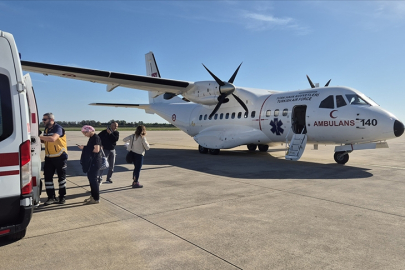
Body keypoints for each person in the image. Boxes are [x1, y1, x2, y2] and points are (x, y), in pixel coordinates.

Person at [39, 113, 68, 205]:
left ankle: (62, 197)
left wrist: (38, 137)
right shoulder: (47, 129)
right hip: (49, 157)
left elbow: (52, 139)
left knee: (61, 178)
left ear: (51, 120)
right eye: (43, 119)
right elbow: (46, 140)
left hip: (60, 156)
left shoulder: (58, 128)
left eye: (45, 119)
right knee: (47, 178)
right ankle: (51, 197)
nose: (43, 121)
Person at [78, 125, 102, 204]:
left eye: (85, 133)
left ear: (90, 131)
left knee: (93, 180)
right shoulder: (92, 138)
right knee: (91, 179)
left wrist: (84, 148)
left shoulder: (96, 138)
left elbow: (96, 150)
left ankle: (96, 198)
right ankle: (93, 196)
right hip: (92, 162)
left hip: (95, 162)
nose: (85, 135)